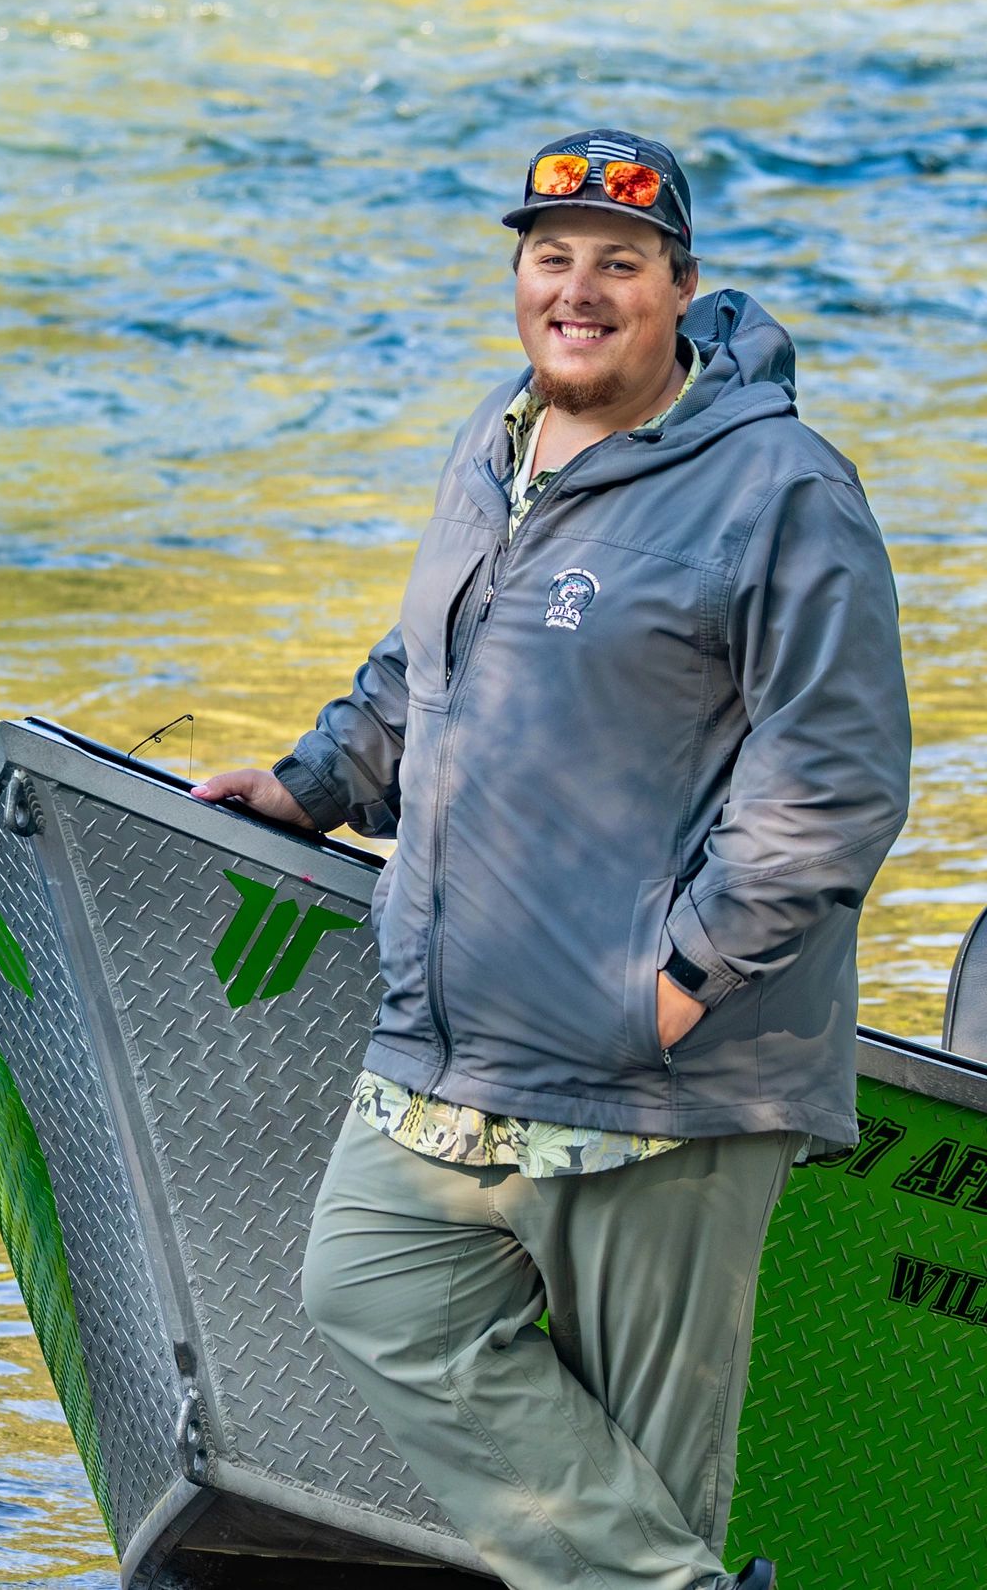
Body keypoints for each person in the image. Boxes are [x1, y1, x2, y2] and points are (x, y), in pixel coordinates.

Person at [193, 130, 909, 1590]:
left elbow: (833, 782)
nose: (579, 290)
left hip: (666, 1079)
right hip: (453, 1051)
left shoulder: (781, 491)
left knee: (651, 1471)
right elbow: (426, 665)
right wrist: (313, 783)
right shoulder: (496, 440)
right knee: (370, 1283)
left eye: (619, 264)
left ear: (680, 287)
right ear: (520, 276)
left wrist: (678, 983)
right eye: (552, 257)